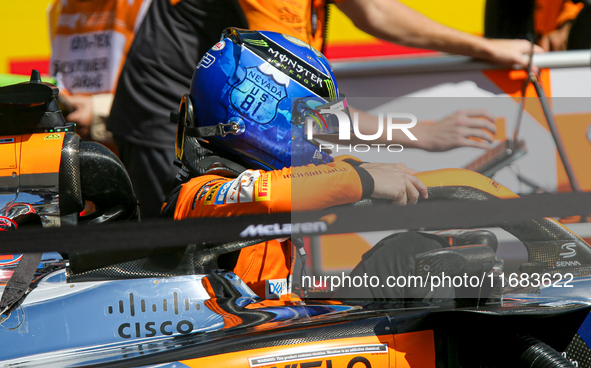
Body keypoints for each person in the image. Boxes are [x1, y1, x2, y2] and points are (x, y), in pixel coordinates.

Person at [110, 0, 538, 218]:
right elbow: (294, 103)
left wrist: (483, 46)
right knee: (206, 268)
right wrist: (416, 134)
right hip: (185, 127)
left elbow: (375, 9)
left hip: (231, 119)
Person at [162, 29, 453, 301]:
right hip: (222, 346)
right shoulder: (197, 196)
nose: (321, 137)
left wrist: (433, 184)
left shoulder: (285, 185)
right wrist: (360, 180)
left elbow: (313, 177)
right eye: (311, 123)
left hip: (277, 333)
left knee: (411, 255)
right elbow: (267, 194)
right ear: (259, 113)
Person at [48, 0, 150, 149]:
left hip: (132, 150)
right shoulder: (58, 8)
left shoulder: (145, 5)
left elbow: (164, 91)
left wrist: (97, 110)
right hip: (76, 150)